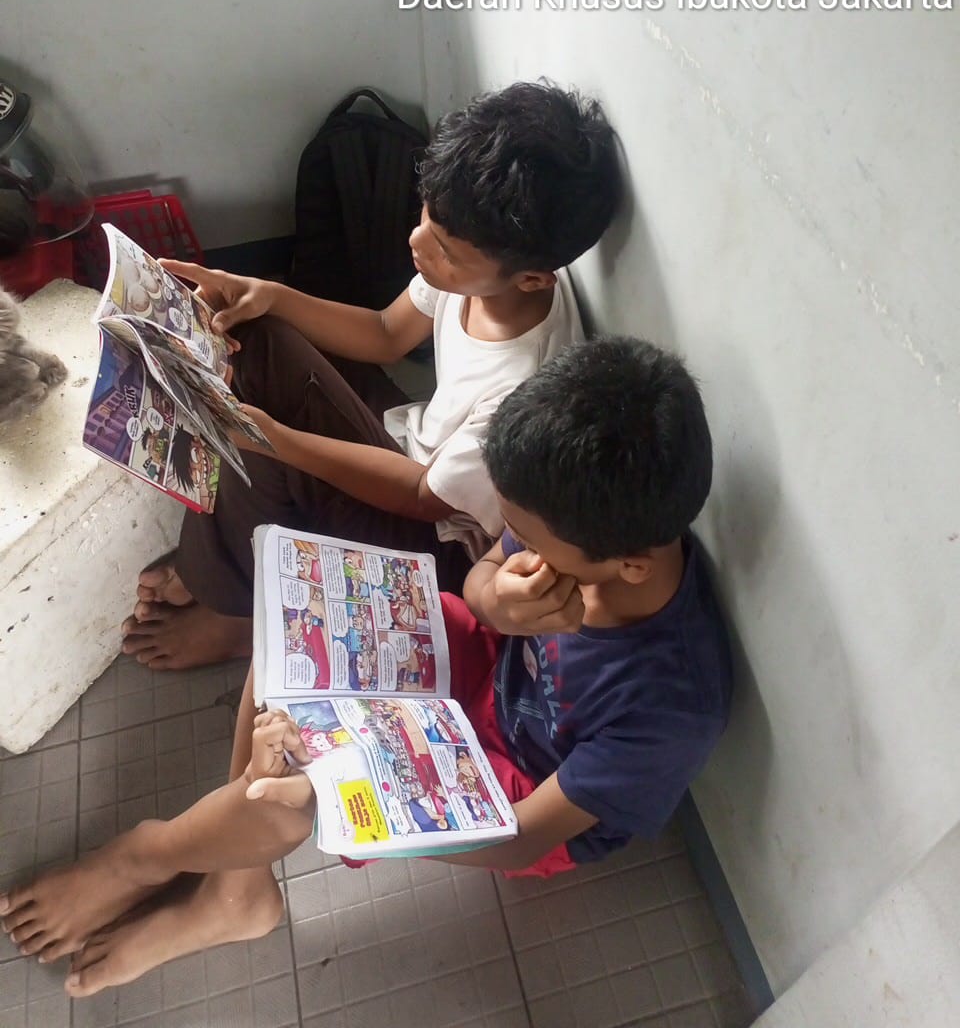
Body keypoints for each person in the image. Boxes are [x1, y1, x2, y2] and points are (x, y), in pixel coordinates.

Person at [0, 336, 733, 996]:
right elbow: (483, 584)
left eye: (529, 540)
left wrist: (346, 801)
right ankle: (237, 887)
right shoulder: (569, 519)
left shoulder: (670, 705)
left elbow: (525, 837)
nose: (518, 546)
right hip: (485, 666)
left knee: (293, 790)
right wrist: (501, 605)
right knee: (301, 628)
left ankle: (145, 857)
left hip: (520, 786)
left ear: (629, 566)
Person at [120, 81, 620, 670]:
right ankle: (227, 566)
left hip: (439, 542)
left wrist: (280, 441)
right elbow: (385, 332)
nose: (417, 242)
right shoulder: (485, 267)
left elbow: (422, 497)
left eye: (445, 250)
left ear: (532, 278)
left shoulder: (526, 391)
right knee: (255, 337)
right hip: (414, 449)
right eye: (426, 216)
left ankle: (237, 613)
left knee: (266, 442)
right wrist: (271, 293)